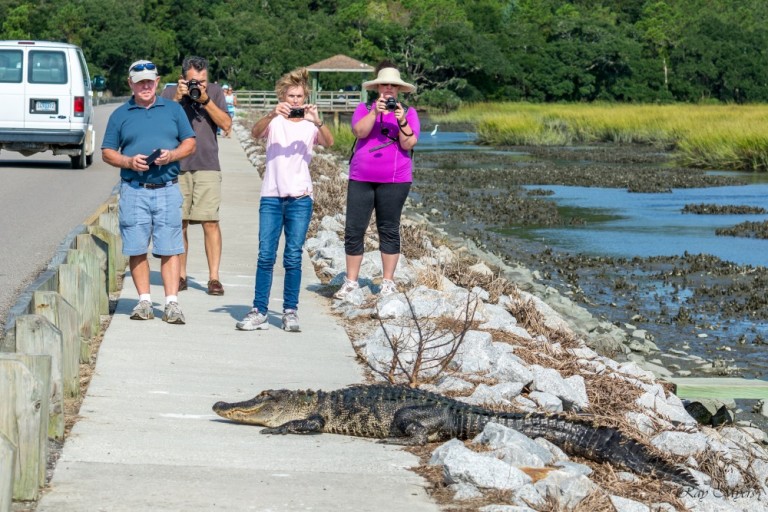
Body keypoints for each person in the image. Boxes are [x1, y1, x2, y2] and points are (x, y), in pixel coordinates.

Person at [236, 68, 333, 332]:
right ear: (283, 96)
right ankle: (259, 310)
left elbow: (329, 142)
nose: (295, 101)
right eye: (291, 96)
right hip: (272, 196)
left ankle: (290, 311)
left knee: (292, 256)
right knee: (266, 255)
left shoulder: (309, 124)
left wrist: (317, 120)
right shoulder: (275, 122)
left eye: (300, 96)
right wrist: (270, 113)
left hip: (300, 198)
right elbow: (256, 133)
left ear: (305, 97)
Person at [102, 60, 196, 324]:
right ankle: (144, 301)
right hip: (134, 190)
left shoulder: (174, 109)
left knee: (171, 247)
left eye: (150, 81)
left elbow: (190, 143)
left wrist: (172, 155)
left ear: (157, 81)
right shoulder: (120, 114)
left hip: (167, 188)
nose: (145, 85)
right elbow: (107, 152)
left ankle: (171, 304)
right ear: (130, 83)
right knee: (136, 247)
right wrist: (128, 162)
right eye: (139, 81)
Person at [334, 61, 419, 300]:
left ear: (399, 90)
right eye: (384, 85)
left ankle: (388, 282)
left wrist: (401, 120)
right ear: (377, 88)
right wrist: (375, 112)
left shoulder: (409, 113)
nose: (389, 89)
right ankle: (350, 281)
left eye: (393, 85)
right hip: (361, 177)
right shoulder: (364, 108)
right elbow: (359, 132)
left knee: (389, 228)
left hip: (395, 180)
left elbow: (409, 143)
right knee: (354, 229)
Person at [161, 56, 231, 296]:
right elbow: (158, 124)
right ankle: (180, 275)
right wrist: (177, 99)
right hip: (175, 166)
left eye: (202, 80)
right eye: (193, 81)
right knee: (178, 223)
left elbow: (226, 124)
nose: (198, 85)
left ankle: (214, 278)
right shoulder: (170, 92)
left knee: (210, 221)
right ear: (183, 78)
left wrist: (206, 100)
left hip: (207, 164)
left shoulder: (215, 92)